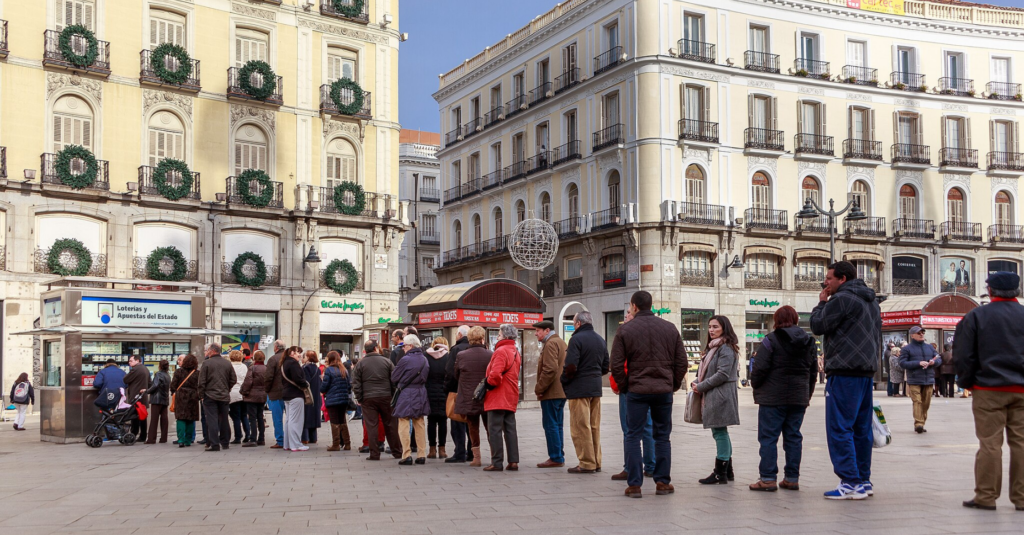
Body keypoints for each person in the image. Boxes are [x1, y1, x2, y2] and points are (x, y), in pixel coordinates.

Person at [810, 261, 881, 500]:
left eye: (829, 278)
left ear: (842, 279)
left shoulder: (841, 299)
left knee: (839, 427)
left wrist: (821, 303)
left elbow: (818, 326)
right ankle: (863, 479)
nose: (825, 282)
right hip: (865, 372)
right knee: (862, 429)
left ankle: (850, 482)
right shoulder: (871, 302)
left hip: (844, 370)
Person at [954, 272, 1024, 511]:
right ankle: (1022, 498)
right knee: (1022, 444)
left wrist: (968, 382)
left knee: (990, 444)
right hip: (1022, 389)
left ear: (990, 290)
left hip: (988, 388)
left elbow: (964, 354)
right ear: (1016, 291)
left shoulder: (976, 316)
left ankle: (986, 496)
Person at [610, 290, 688, 498]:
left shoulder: (625, 330)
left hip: (637, 390)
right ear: (650, 305)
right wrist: (673, 384)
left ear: (634, 306)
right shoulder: (670, 328)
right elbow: (682, 362)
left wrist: (625, 385)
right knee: (662, 436)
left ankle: (634, 484)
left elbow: (616, 364)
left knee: (633, 436)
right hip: (663, 390)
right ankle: (662, 482)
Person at [748, 306, 817, 492]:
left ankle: (768, 478)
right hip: (798, 397)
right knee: (793, 437)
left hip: (773, 398)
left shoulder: (771, 340)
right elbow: (813, 372)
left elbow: (759, 368)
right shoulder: (809, 341)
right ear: (795, 319)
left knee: (769, 438)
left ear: (776, 320)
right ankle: (792, 478)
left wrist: (757, 386)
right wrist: (806, 394)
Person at [692, 315, 741, 486]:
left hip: (721, 396)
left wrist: (701, 386)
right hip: (716, 394)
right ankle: (727, 470)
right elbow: (709, 372)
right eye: (710, 327)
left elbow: (722, 374)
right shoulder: (715, 347)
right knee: (721, 432)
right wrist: (697, 381)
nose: (711, 330)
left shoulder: (725, 348)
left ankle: (720, 473)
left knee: (720, 432)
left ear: (724, 329)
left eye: (715, 327)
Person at [562, 311, 610, 474]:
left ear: (578, 324)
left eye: (574, 323)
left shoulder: (576, 339)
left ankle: (586, 462)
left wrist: (564, 380)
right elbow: (605, 367)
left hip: (579, 388)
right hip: (595, 388)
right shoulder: (600, 339)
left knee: (580, 426)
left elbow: (571, 366)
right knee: (594, 426)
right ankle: (596, 461)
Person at [351, 340, 403, 460]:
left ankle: (374, 453)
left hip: (368, 398)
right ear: (376, 348)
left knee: (371, 425)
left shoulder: (360, 364)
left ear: (365, 350)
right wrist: (393, 395)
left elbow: (356, 383)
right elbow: (394, 380)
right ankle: (397, 451)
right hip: (386, 397)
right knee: (391, 425)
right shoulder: (387, 361)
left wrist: (360, 397)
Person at [484, 324, 522, 472]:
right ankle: (513, 461)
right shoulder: (515, 351)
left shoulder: (501, 351)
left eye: (499, 335)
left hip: (498, 395)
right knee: (510, 429)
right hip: (511, 393)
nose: (497, 337)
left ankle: (497, 462)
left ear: (505, 336)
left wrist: (488, 384)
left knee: (494, 429)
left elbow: (494, 375)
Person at [454, 326, 493, 467]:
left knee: (473, 426)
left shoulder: (462, 355)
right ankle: (495, 455)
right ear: (483, 338)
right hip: (487, 395)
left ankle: (476, 458)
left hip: (469, 396)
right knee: (490, 427)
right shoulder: (490, 354)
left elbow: (456, 375)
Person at [533, 320, 568, 469]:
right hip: (561, 391)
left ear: (547, 330)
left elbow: (550, 369)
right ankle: (558, 454)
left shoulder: (551, 344)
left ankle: (555, 457)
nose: (536, 333)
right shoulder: (560, 342)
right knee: (557, 424)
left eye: (538, 331)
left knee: (551, 424)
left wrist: (539, 388)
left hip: (552, 391)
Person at [392, 335, 431, 465]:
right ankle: (421, 454)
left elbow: (394, 377)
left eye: (405, 346)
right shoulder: (425, 359)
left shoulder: (405, 359)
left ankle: (406, 454)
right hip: (421, 392)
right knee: (419, 422)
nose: (403, 348)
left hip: (406, 393)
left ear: (411, 346)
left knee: (403, 421)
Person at [899, 326, 941, 433]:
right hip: (914, 379)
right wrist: (918, 363)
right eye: (918, 333)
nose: (921, 334)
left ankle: (922, 422)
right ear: (912, 335)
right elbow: (902, 363)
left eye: (922, 332)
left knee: (926, 402)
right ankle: (919, 424)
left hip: (928, 379)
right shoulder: (906, 349)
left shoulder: (930, 347)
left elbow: (938, 359)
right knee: (917, 401)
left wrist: (934, 362)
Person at [198, 342, 237, 452]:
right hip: (224, 395)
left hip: (210, 396)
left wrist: (201, 395)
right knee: (224, 419)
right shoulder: (227, 363)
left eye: (208, 350)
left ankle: (214, 444)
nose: (207, 352)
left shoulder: (206, 364)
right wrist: (227, 388)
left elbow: (201, 382)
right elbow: (233, 379)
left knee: (212, 420)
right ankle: (225, 442)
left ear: (212, 351)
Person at [444, 325, 473, 463]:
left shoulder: (456, 349)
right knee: (471, 423)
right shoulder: (478, 348)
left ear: (460, 335)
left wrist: (447, 389)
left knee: (457, 423)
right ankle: (472, 451)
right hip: (473, 392)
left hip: (457, 391)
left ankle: (459, 452)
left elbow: (450, 372)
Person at [279, 346, 310, 452]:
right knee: (296, 421)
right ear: (292, 353)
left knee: (289, 420)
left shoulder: (284, 363)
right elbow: (298, 379)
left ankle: (287, 444)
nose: (300, 355)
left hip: (287, 394)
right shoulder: (293, 363)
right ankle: (296, 444)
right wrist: (305, 383)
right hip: (295, 394)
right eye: (298, 352)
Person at [424, 336, 451, 459]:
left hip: (430, 392)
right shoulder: (448, 357)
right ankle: (442, 449)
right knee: (443, 421)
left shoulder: (427, 356)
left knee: (431, 421)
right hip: (444, 392)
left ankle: (431, 450)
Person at [320, 350, 352, 452]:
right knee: (343, 421)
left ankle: (336, 444)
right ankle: (347, 444)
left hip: (333, 399)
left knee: (334, 422)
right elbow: (349, 386)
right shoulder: (344, 369)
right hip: (343, 399)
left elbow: (324, 386)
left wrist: (322, 389)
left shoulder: (329, 370)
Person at [170, 354, 200, 448]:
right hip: (193, 397)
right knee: (190, 419)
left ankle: (181, 440)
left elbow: (173, 385)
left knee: (181, 418)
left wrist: (174, 392)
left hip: (181, 396)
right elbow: (200, 385)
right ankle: (188, 440)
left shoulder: (179, 371)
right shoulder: (197, 373)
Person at [263, 340, 287, 449]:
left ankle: (280, 440)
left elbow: (268, 377)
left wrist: (267, 390)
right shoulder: (289, 358)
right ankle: (290, 439)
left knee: (277, 418)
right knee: (291, 418)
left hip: (276, 392)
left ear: (276, 348)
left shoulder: (273, 359)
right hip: (289, 392)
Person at [240, 350, 267, 447]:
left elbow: (248, 382)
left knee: (252, 418)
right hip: (262, 395)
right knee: (260, 416)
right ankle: (261, 438)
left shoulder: (252, 368)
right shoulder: (266, 368)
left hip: (252, 396)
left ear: (254, 358)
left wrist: (244, 392)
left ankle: (253, 438)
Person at [124, 355, 152, 444]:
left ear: (137, 360)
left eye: (131, 361)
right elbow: (150, 383)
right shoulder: (145, 369)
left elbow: (125, 379)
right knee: (142, 417)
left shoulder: (135, 369)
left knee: (134, 416)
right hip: (143, 397)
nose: (129, 362)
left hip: (135, 397)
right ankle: (143, 435)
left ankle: (133, 434)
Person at [145, 360, 172, 444]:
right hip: (165, 398)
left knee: (154, 419)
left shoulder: (159, 374)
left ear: (159, 366)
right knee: (164, 419)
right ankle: (164, 438)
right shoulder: (168, 375)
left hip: (157, 399)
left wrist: (147, 391)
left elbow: (155, 385)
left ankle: (151, 439)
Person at [227, 350, 250, 444]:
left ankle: (237, 437)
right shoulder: (244, 367)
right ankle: (248, 434)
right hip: (243, 394)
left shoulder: (229, 367)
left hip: (233, 394)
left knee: (235, 417)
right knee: (244, 415)